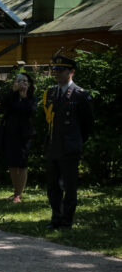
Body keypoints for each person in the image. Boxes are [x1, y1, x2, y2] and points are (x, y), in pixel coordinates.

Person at [43, 54, 93, 230]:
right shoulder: (50, 93)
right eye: (54, 70)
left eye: (60, 70)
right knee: (53, 186)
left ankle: (66, 221)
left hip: (70, 148)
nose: (56, 73)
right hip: (53, 147)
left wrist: (75, 142)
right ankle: (56, 218)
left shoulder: (80, 95)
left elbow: (87, 125)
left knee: (69, 187)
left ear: (71, 72)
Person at [1, 73, 37, 203]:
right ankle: (15, 191)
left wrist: (24, 96)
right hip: (11, 133)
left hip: (24, 135)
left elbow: (30, 111)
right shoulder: (11, 96)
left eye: (25, 81)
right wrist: (14, 92)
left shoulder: (31, 97)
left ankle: (18, 194)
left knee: (21, 164)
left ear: (29, 84)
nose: (22, 83)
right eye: (19, 81)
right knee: (12, 163)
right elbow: (3, 106)